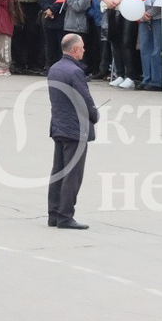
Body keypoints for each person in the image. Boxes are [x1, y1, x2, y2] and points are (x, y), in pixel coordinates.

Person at [47, 33, 97, 230]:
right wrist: (95, 116)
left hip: (59, 125)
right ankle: (65, 216)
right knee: (72, 174)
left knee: (58, 171)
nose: (84, 49)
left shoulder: (54, 68)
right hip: (75, 128)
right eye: (82, 47)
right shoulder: (75, 72)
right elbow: (86, 100)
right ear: (75, 49)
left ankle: (53, 214)